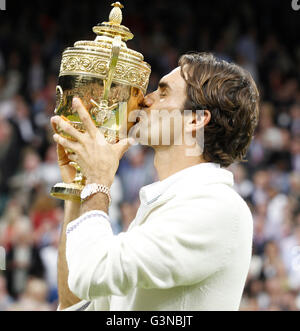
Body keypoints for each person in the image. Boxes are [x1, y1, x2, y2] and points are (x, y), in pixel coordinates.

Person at [51, 52, 260, 311]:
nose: (145, 100)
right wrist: (79, 191)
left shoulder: (218, 206)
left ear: (195, 118)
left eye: (163, 93)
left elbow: (92, 274)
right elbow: (76, 304)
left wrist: (98, 183)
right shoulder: (169, 204)